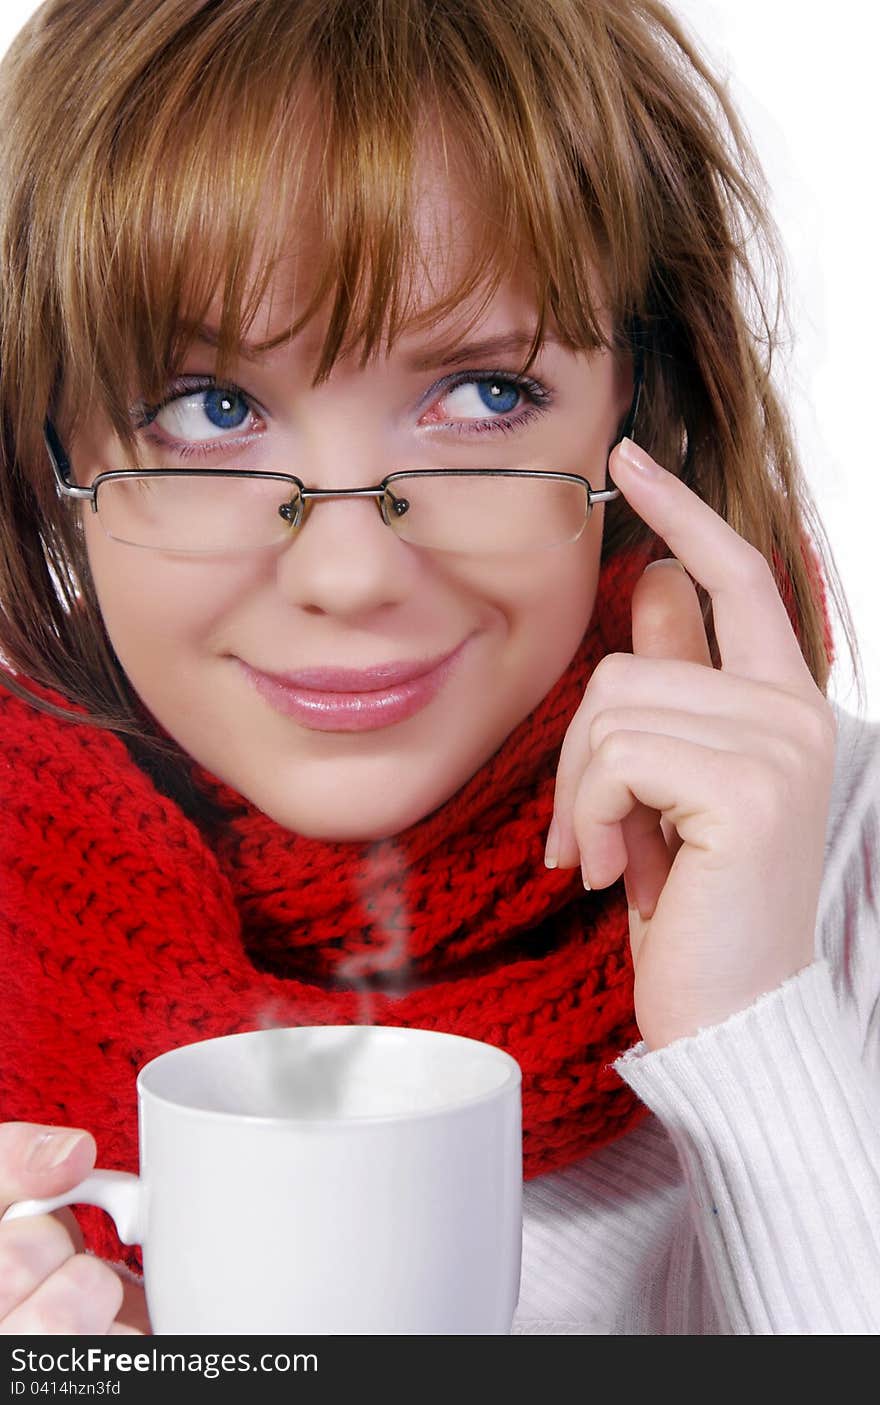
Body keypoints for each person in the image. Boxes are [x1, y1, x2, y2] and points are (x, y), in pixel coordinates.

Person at [0, 0, 877, 1338]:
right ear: (49, 437)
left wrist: (753, 1029)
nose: (349, 572)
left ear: (632, 405)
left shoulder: (844, 864)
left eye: (483, 395)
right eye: (209, 408)